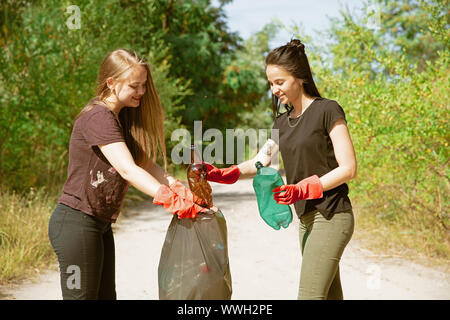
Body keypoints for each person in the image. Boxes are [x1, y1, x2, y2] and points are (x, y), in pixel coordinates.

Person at [202, 39, 357, 300]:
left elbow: (348, 167)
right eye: (271, 83)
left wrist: (305, 187)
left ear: (300, 77)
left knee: (309, 296)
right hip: (306, 219)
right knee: (330, 296)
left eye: (280, 82)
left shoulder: (327, 110)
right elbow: (261, 160)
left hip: (332, 215)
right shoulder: (282, 122)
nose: (274, 89)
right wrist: (227, 172)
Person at [48, 49, 208, 300]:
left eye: (144, 85)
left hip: (98, 224)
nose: (142, 92)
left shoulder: (119, 119)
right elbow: (127, 169)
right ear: (111, 82)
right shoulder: (98, 116)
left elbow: (144, 164)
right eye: (135, 85)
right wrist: (168, 199)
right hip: (75, 222)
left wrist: (178, 188)